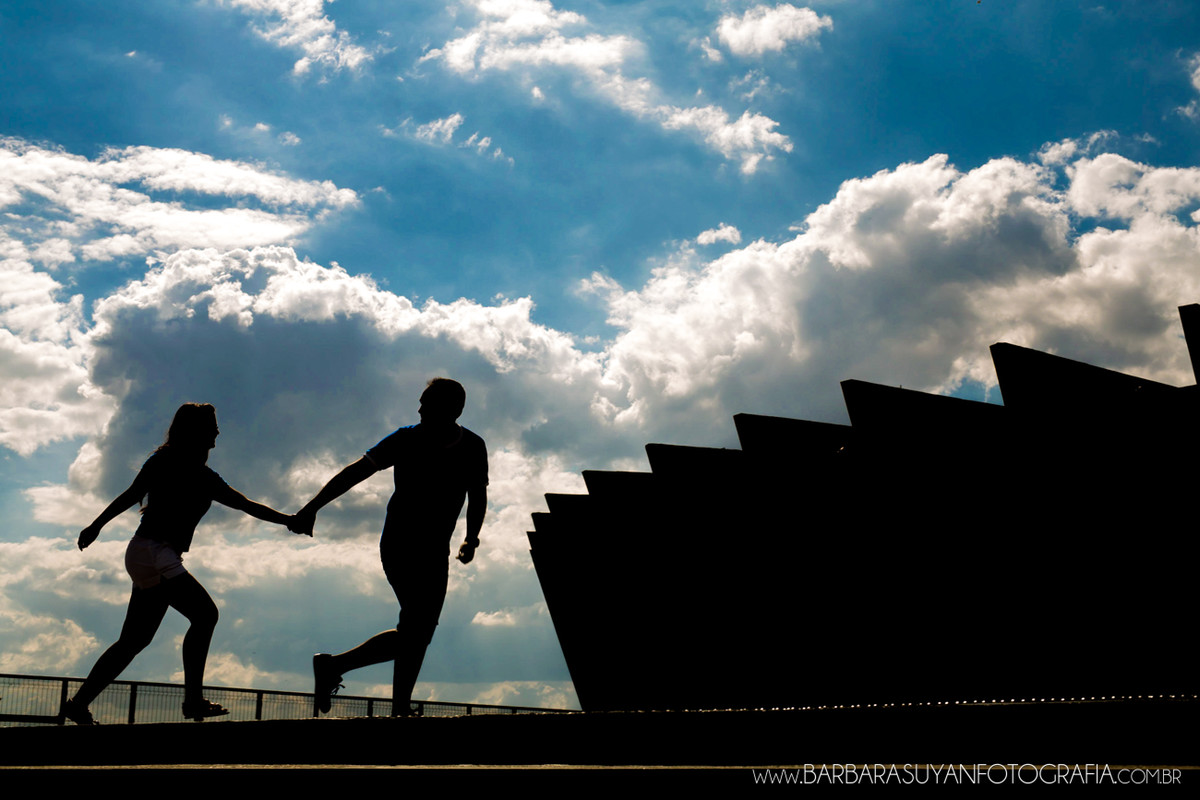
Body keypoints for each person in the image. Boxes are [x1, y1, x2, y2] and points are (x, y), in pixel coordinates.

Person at [63, 403, 303, 725]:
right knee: (206, 615)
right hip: (155, 551)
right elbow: (133, 493)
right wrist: (96, 525)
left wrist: (288, 520)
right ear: (197, 431)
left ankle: (78, 704)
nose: (218, 431)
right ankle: (192, 701)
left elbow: (243, 504)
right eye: (212, 426)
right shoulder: (175, 465)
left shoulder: (196, 472)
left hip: (145, 553)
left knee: (134, 640)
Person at [292, 377, 487, 716]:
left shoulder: (472, 446)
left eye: (426, 402)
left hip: (436, 550)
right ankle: (363, 684)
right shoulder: (405, 438)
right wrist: (313, 506)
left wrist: (472, 536)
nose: (419, 408)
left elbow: (478, 495)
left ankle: (348, 674)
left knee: (417, 630)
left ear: (452, 409)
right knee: (417, 626)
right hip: (400, 544)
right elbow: (356, 472)